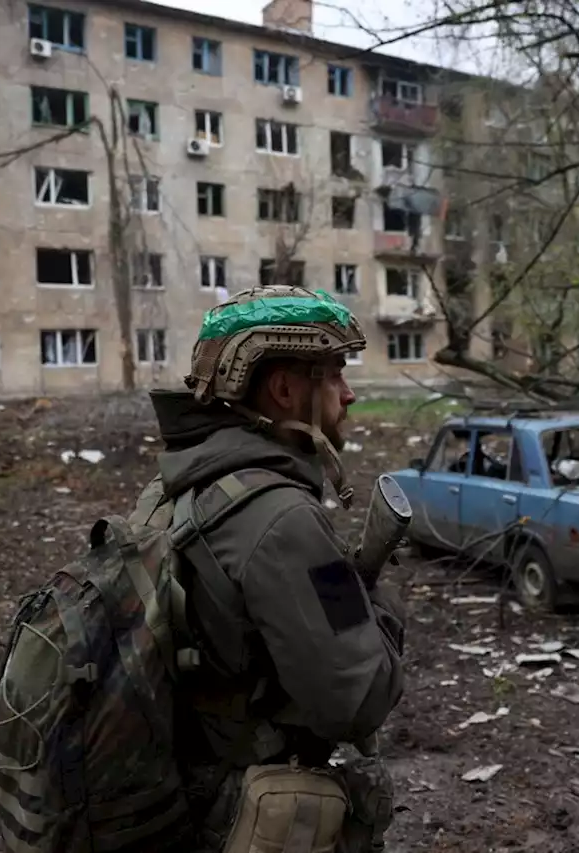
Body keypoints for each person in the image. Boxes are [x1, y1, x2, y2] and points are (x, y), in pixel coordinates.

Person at [128, 284, 408, 852]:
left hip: (169, 790)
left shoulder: (176, 486)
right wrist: (377, 596)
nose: (349, 394)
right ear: (284, 389)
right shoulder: (283, 521)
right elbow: (357, 701)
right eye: (333, 373)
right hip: (233, 815)